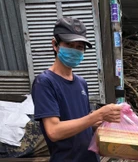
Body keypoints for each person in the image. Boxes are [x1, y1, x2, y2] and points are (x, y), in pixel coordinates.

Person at [32, 17, 122, 162]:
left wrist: (98, 124)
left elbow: (83, 123)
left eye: (79, 47)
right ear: (55, 45)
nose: (75, 51)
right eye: (69, 44)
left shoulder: (81, 83)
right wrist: (97, 115)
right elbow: (54, 131)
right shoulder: (45, 82)